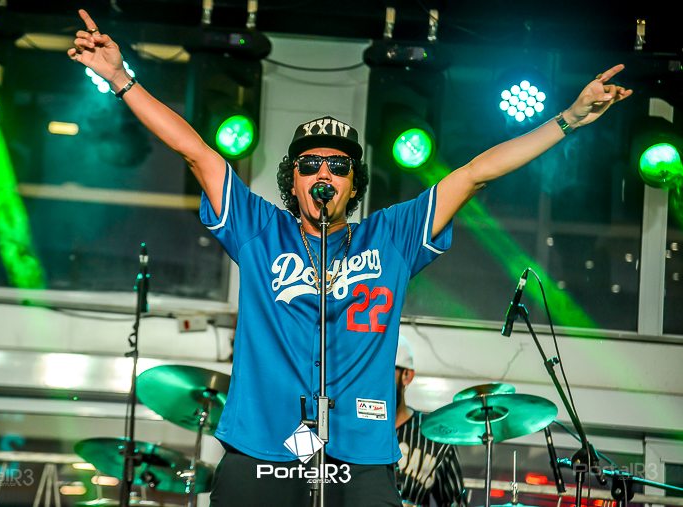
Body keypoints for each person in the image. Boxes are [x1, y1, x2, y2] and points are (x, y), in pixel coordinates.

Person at [67, 9, 632, 506]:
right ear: (292, 179)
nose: (324, 174)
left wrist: (568, 119)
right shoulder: (261, 229)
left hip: (359, 454)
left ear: (354, 183)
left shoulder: (391, 236)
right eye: (310, 165)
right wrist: (121, 80)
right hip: (260, 445)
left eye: (338, 167)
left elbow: (474, 175)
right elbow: (195, 151)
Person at [395, 336, 467, 507]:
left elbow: (456, 502)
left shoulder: (435, 436)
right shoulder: (355, 430)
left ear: (407, 375)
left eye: (385, 371)